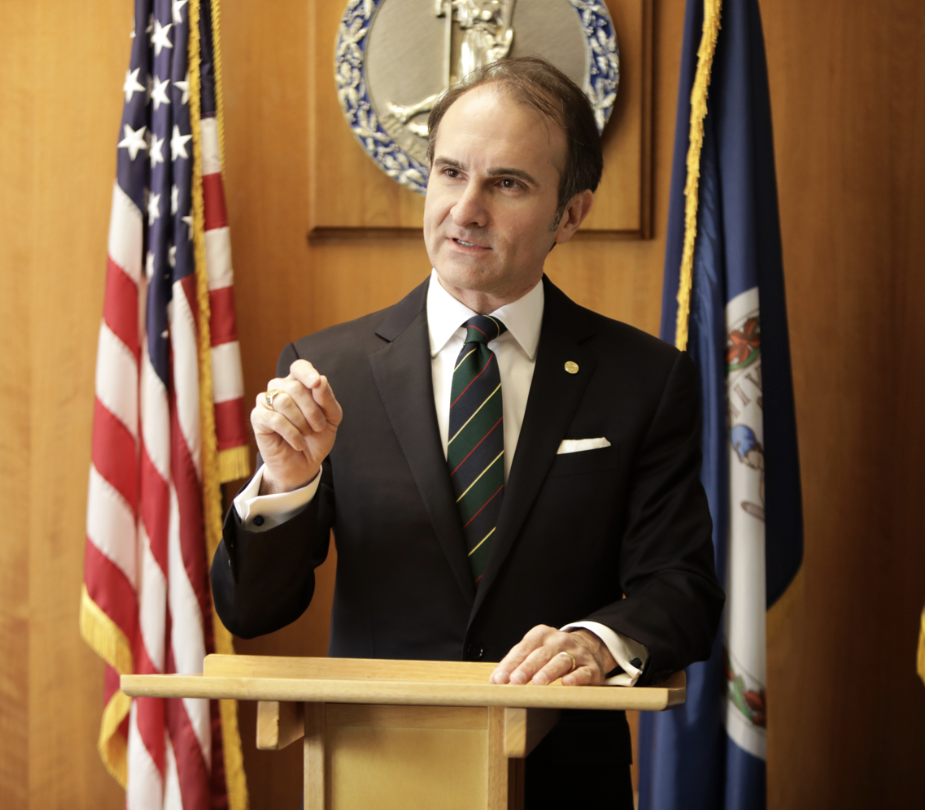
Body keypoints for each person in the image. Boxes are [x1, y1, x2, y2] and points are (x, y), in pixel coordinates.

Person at [210, 57, 723, 808]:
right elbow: (252, 610)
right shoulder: (327, 371)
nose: (466, 208)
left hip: (565, 784)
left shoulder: (644, 379)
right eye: (451, 173)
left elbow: (682, 587)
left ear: (571, 214)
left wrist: (592, 645)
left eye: (507, 183)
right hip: (372, 775)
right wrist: (287, 485)